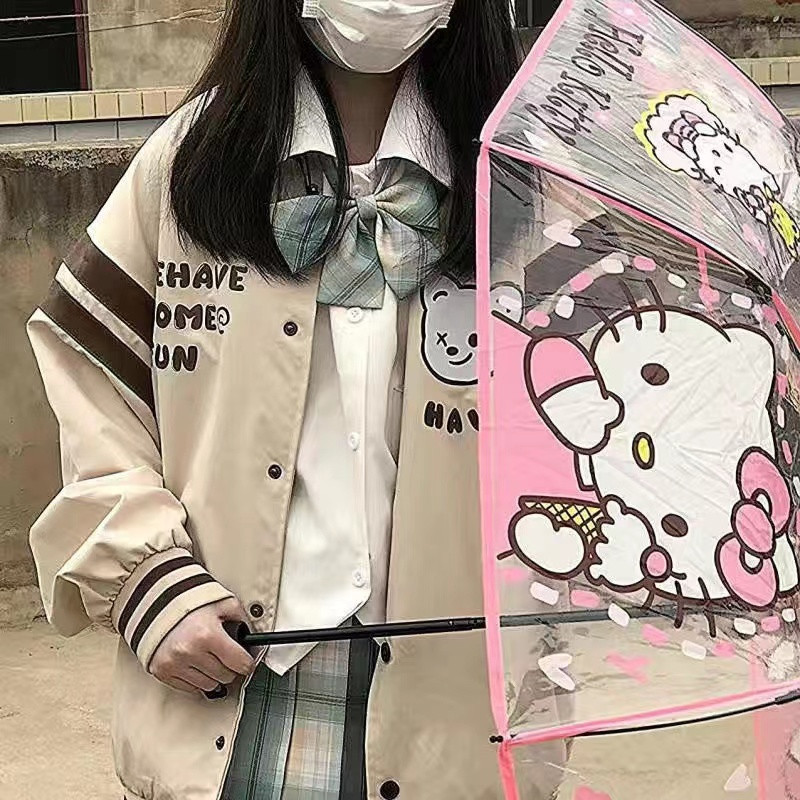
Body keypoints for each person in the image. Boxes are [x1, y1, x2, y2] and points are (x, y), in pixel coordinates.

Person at [26, 2, 570, 798]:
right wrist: (146, 574)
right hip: (235, 679)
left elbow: (587, 424)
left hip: (463, 703)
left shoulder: (531, 188)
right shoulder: (191, 162)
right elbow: (94, 387)